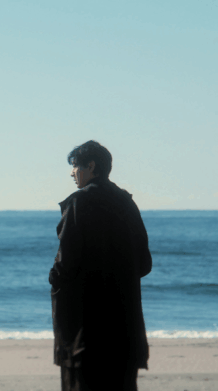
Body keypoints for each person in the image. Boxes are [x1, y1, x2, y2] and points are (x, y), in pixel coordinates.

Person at [49, 140, 152, 391]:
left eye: (75, 166)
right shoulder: (127, 203)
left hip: (84, 331)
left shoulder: (78, 203)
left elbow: (65, 264)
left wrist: (55, 277)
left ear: (91, 166)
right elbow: (144, 263)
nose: (72, 173)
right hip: (123, 329)